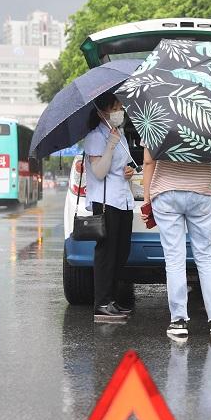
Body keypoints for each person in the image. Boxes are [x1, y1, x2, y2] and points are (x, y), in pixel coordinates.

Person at [142, 148, 211, 341]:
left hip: (166, 192)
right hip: (201, 191)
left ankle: (178, 322)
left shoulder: (157, 125)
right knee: (207, 257)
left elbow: (148, 161)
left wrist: (147, 199)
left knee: (174, 258)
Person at [83, 93, 137, 323]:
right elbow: (99, 172)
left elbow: (122, 167)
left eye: (120, 107)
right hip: (106, 203)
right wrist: (111, 145)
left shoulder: (120, 134)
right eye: (114, 108)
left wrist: (129, 171)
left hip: (123, 200)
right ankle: (102, 303)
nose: (119, 112)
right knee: (106, 253)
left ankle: (112, 300)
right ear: (101, 112)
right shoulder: (95, 137)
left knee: (121, 252)